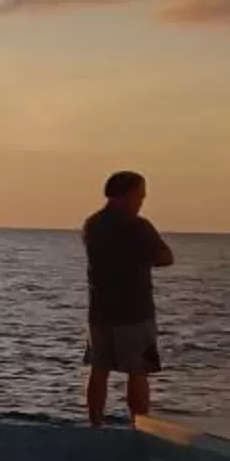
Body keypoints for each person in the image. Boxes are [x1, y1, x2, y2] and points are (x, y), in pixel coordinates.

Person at [82, 170, 174, 427]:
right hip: (134, 312)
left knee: (99, 370)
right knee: (138, 372)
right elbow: (165, 257)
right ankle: (139, 426)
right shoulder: (138, 226)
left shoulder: (92, 225)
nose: (142, 200)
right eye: (139, 195)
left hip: (100, 311)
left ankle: (95, 426)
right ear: (128, 195)